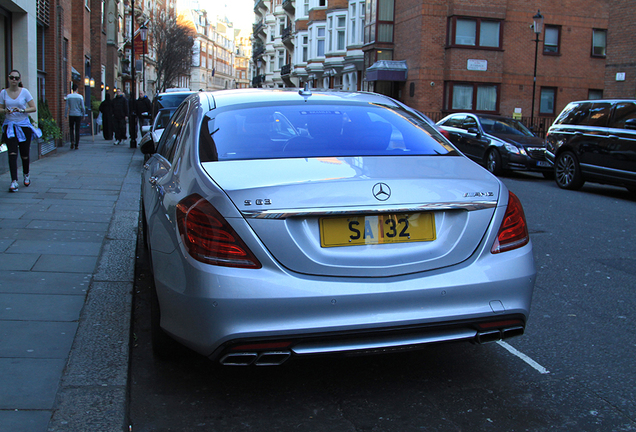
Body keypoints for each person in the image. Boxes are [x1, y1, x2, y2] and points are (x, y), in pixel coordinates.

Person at [0, 70, 41, 192]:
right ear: (8, 78)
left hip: (23, 126)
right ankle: (14, 181)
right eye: (11, 77)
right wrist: (6, 111)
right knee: (12, 154)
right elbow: (0, 108)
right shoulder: (3, 93)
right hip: (10, 126)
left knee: (24, 154)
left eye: (16, 78)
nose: (14, 80)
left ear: (19, 80)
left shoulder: (25, 92)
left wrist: (22, 110)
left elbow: (33, 107)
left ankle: (26, 174)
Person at [65, 83, 84, 149]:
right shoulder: (80, 97)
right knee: (77, 129)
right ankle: (77, 144)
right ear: (77, 89)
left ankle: (72, 140)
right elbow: (83, 107)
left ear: (72, 89)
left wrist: (65, 114)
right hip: (78, 114)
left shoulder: (69, 96)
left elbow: (67, 106)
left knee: (71, 128)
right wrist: (83, 114)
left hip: (71, 114)